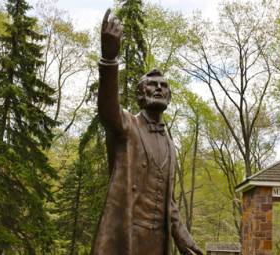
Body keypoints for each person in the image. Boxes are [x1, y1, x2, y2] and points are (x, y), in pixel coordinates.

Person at [90, 9, 203, 255]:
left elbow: (170, 204)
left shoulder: (171, 147)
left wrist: (184, 239)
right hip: (125, 236)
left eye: (164, 87)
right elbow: (107, 109)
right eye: (153, 86)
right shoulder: (127, 126)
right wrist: (109, 59)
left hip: (157, 242)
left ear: (170, 97)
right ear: (141, 95)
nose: (159, 89)